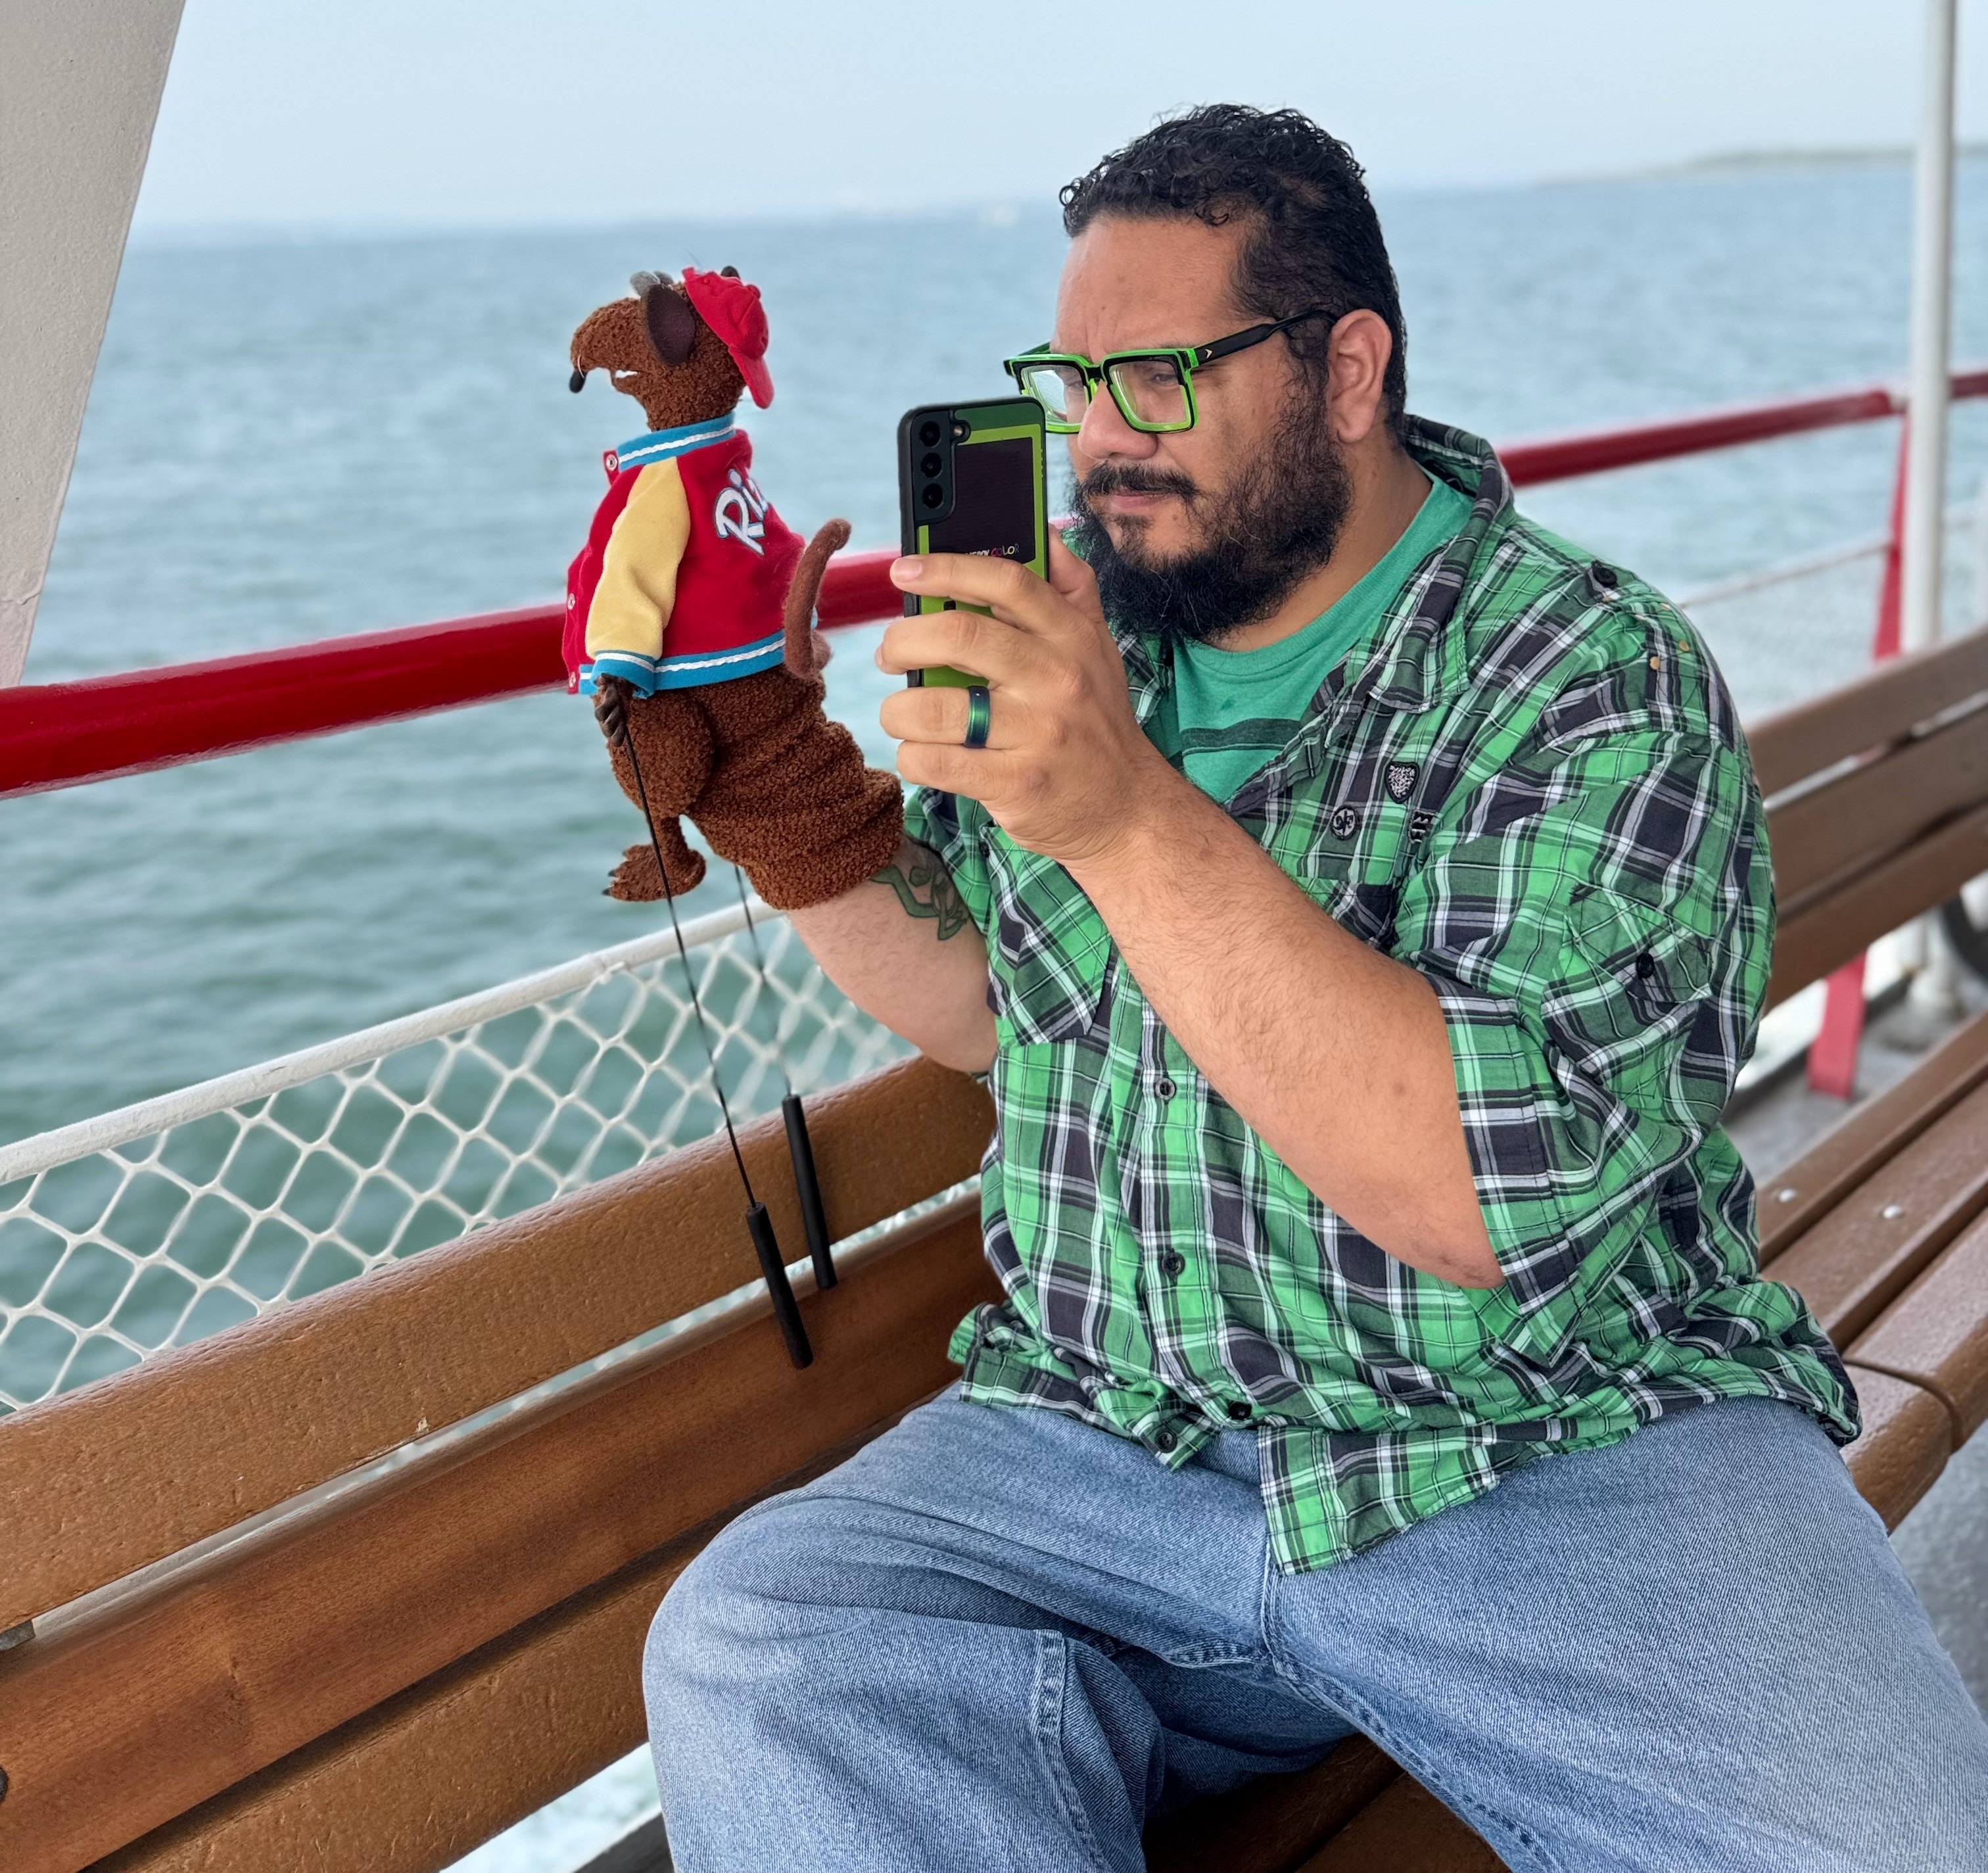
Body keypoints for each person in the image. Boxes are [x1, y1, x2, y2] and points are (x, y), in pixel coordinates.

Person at [640, 105, 1988, 1872]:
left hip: (1544, 1443)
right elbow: (986, 996)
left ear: (1347, 371)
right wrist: (772, 780)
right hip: (1105, 1441)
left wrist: (1122, 811)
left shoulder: (1592, 677)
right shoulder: (1092, 642)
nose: (1099, 441)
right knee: (757, 1646)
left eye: (1158, 377)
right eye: (1072, 381)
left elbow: (1483, 1200)